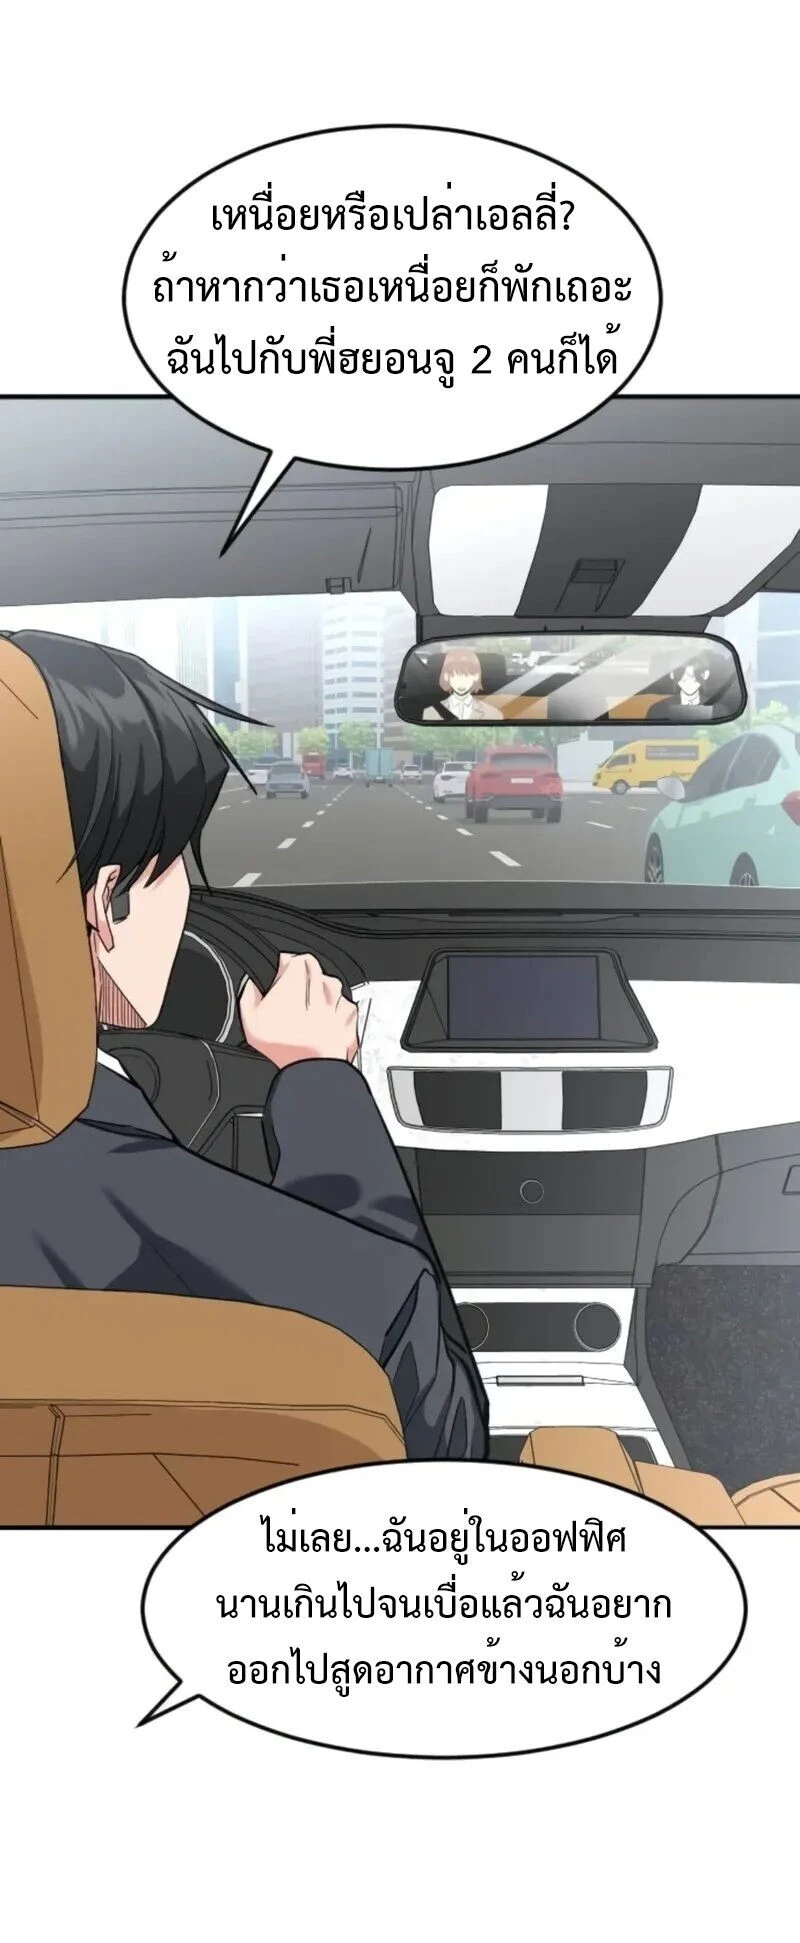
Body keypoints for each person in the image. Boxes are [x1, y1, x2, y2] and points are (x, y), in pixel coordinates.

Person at [0, 629, 488, 1463]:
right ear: (107, 903)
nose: (186, 896)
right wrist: (319, 1083)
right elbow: (430, 1415)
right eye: (172, 865)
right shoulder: (132, 1206)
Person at [422, 647, 503, 723]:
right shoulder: (430, 712)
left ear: (476, 676)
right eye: (455, 676)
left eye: (467, 676)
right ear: (446, 677)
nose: (461, 682)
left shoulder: (493, 713)